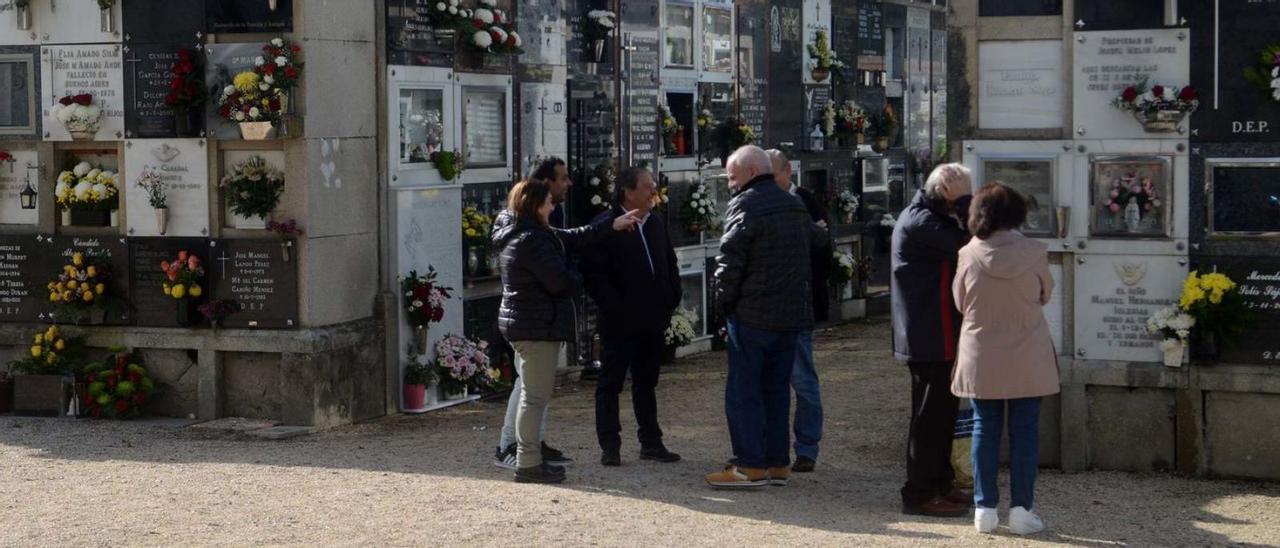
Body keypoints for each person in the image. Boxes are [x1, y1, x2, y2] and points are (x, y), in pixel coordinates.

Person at [492, 179, 639, 483]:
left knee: (531, 395)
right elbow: (561, 282)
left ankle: (527, 456)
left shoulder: (528, 232)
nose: (553, 206)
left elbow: (572, 237)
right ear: (535, 205)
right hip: (536, 327)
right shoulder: (531, 240)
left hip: (530, 324)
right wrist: (580, 273)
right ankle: (528, 461)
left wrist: (611, 224)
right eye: (549, 201)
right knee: (534, 398)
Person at [706, 145, 822, 489]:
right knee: (776, 391)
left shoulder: (745, 204)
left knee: (744, 392)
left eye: (732, 175)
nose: (729, 183)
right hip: (790, 316)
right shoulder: (794, 204)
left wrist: (723, 307)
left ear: (751, 172)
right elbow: (816, 246)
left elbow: (729, 261)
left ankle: (750, 465)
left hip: (752, 316)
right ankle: (776, 463)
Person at [951, 183, 1059, 535]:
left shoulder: (968, 253)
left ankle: (985, 508)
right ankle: (1022, 510)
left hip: (982, 352)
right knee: (1025, 430)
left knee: (985, 426)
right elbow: (1046, 293)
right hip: (1027, 350)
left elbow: (960, 301)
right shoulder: (1034, 251)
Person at [581, 167, 683, 467]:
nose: (655, 192)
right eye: (649, 186)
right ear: (628, 191)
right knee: (610, 383)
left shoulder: (656, 222)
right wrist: (616, 306)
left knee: (646, 382)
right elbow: (594, 275)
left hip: (653, 317)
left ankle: (651, 442)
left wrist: (671, 296)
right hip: (619, 320)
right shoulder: (605, 226)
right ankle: (610, 445)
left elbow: (669, 262)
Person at [890, 162, 974, 517]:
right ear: (946, 192)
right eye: (963, 192)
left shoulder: (929, 215)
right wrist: (967, 203)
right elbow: (970, 243)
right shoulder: (921, 221)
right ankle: (920, 493)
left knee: (942, 416)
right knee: (928, 419)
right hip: (928, 335)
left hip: (937, 333)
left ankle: (940, 482)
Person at [765, 149, 831, 473]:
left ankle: (807, 447)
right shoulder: (761, 200)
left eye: (773, 173)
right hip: (769, 306)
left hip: (799, 303)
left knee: (803, 380)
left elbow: (823, 248)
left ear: (788, 171)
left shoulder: (805, 201)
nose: (768, 181)